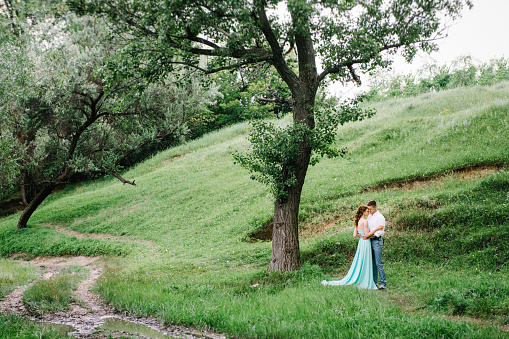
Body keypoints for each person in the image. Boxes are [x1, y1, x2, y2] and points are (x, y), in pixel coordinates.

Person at [322, 205, 383, 289]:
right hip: (365, 243)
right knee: (365, 260)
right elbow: (367, 235)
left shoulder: (357, 221)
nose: (368, 213)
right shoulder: (365, 221)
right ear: (363, 212)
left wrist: (360, 235)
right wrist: (377, 229)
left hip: (361, 242)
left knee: (361, 260)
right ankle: (365, 279)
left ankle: (362, 277)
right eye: (367, 211)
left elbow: (354, 235)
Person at [363, 200, 387, 290]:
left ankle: (383, 283)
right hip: (370, 241)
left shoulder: (380, 217)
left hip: (376, 241)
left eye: (370, 209)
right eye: (367, 209)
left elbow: (379, 232)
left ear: (375, 207)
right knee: (372, 263)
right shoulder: (369, 217)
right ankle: (374, 282)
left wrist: (369, 235)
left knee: (378, 263)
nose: (368, 210)